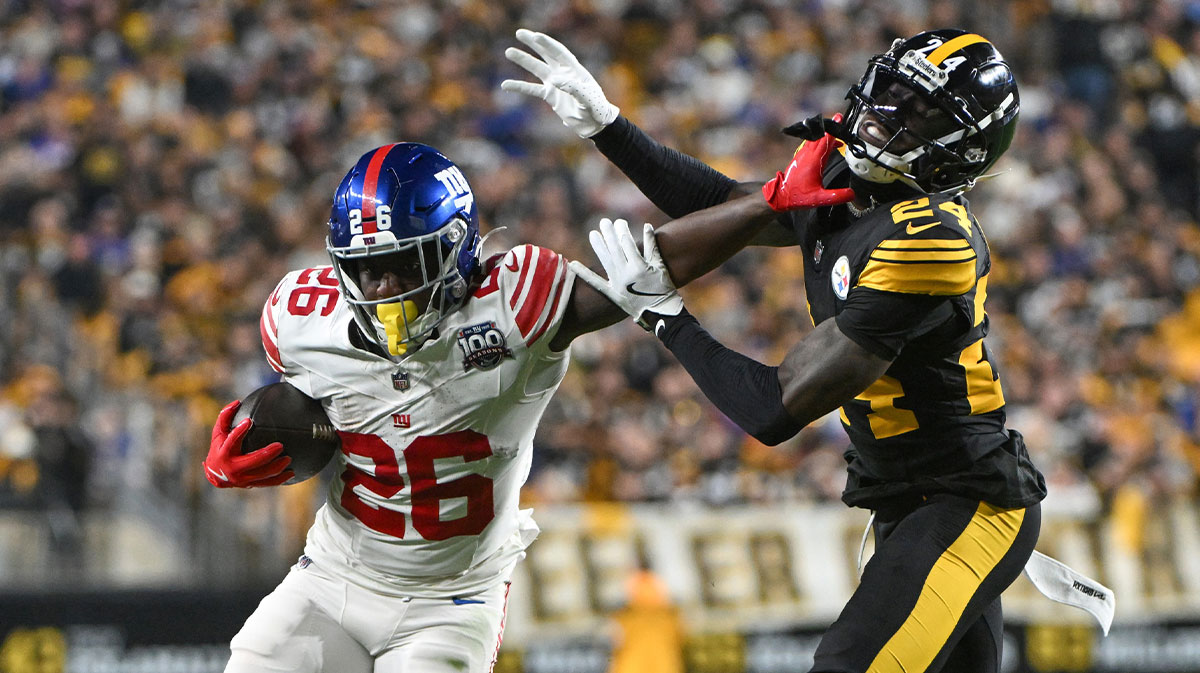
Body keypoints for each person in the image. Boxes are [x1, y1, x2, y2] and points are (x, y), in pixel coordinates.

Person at [505, 28, 1047, 672]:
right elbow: (731, 205)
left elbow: (775, 409)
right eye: (894, 89)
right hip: (905, 500)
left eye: (921, 110)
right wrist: (608, 128)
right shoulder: (849, 176)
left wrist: (667, 320)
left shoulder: (932, 238)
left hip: (968, 502)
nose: (888, 111)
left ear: (963, 150)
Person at [201, 141, 791, 672]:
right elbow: (303, 417)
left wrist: (770, 200)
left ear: (456, 247)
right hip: (332, 577)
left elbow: (652, 263)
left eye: (403, 266)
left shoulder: (512, 308)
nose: (382, 289)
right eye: (366, 270)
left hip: (451, 602)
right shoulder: (299, 321)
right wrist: (245, 446)